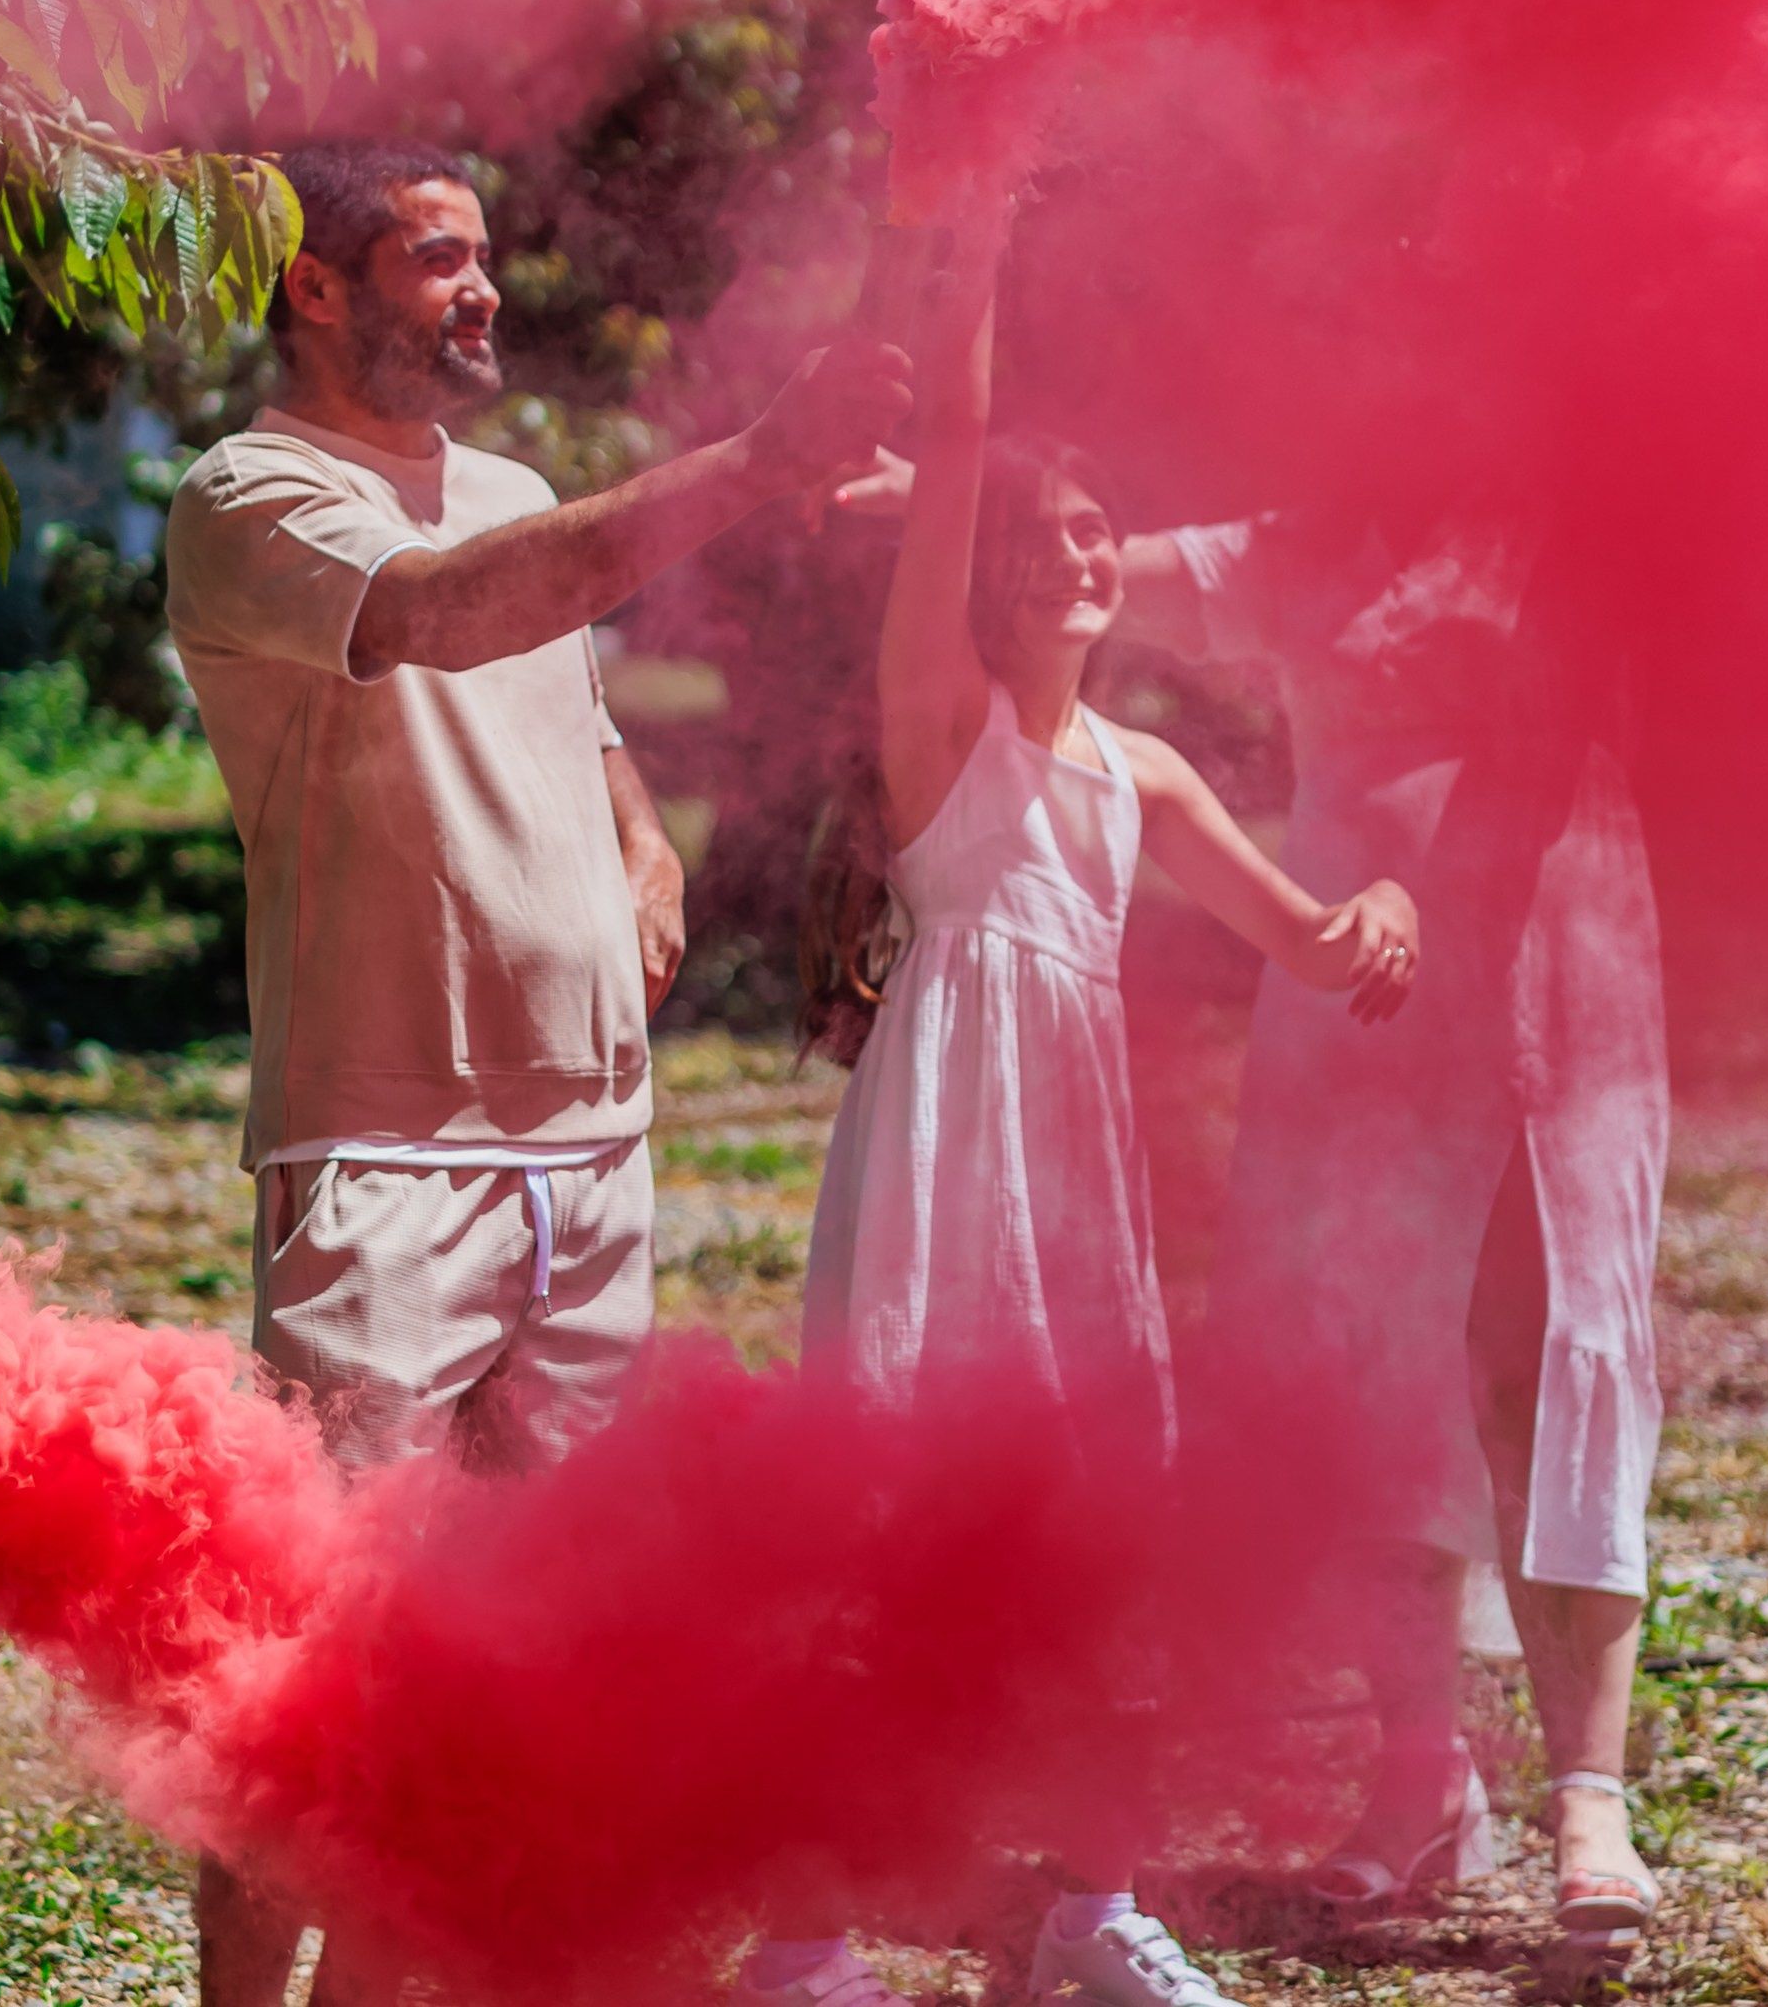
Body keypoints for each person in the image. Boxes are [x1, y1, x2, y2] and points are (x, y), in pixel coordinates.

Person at [166, 137, 911, 2007]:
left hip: (589, 1163)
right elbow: (446, 613)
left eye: (483, 255)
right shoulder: (252, 496)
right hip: (386, 1156)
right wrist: (757, 464)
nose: (482, 288)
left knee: (506, 1670)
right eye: (436, 259)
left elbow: (569, 713)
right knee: (321, 1659)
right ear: (315, 289)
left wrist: (643, 844)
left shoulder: (510, 485)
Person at [820, 459, 1666, 1979]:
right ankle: (1417, 1769)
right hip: (1303, 1049)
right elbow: (1074, 554)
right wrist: (946, 474)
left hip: (1535, 988)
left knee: (1538, 1357)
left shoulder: (1569, 508)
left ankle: (1576, 1796)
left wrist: (1382, 908)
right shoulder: (1284, 550)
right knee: (1355, 1378)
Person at [756, 206, 1419, 2007]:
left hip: (1074, 1199)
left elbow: (1313, 940)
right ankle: (801, 1948)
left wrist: (1387, 904)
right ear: (978, 574)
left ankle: (1092, 1916)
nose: (1074, 551)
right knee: (887, 1551)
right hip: (939, 1168)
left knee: (1103, 1547)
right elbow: (963, 445)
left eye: (1095, 525)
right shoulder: (940, 721)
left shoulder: (1145, 773)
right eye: (1038, 534)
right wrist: (971, 252)